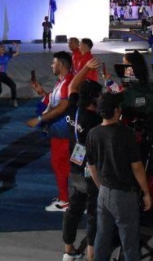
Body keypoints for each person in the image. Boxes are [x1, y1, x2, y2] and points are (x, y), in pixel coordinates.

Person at [86, 92, 152, 261]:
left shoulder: (93, 133)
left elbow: (91, 166)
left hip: (103, 193)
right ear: (117, 110)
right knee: (129, 240)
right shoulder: (126, 133)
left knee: (102, 236)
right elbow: (137, 167)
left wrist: (101, 187)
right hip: (123, 194)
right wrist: (146, 192)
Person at [62, 79, 103, 261]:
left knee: (73, 210)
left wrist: (86, 67)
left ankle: (68, 251)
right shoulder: (96, 120)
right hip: (91, 173)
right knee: (94, 214)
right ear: (93, 99)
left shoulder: (73, 109)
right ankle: (91, 256)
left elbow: (72, 87)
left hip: (75, 169)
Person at [27, 51, 74, 211]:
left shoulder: (68, 82)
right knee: (59, 165)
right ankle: (65, 196)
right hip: (59, 132)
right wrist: (41, 91)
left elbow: (62, 106)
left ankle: (66, 200)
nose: (51, 66)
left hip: (65, 133)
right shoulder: (61, 82)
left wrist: (40, 119)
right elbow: (54, 101)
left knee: (63, 166)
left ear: (61, 64)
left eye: (53, 63)